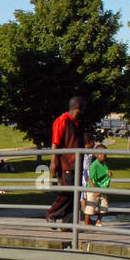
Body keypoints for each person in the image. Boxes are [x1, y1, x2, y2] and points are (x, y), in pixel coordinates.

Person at [46, 96, 86, 225]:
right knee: (67, 192)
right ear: (78, 107)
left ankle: (68, 224)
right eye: (83, 107)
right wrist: (53, 161)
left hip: (77, 163)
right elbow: (55, 142)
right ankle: (52, 214)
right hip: (66, 164)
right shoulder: (62, 120)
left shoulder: (79, 123)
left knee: (75, 194)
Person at [84, 145, 111, 225]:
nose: (104, 156)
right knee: (90, 207)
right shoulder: (94, 165)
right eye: (102, 154)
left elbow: (106, 173)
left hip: (102, 188)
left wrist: (109, 174)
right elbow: (90, 179)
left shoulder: (105, 163)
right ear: (96, 155)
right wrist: (95, 189)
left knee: (104, 206)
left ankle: (98, 220)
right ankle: (86, 223)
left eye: (105, 154)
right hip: (93, 188)